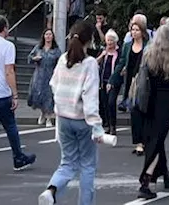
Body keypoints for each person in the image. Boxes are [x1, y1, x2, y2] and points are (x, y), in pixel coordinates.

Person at [38, 21, 107, 205]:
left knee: (67, 162)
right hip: (82, 119)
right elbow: (90, 97)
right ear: (90, 40)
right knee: (87, 166)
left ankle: (51, 190)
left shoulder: (63, 60)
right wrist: (97, 126)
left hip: (63, 117)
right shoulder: (90, 63)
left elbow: (53, 85)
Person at [0, 15, 36, 170]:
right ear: (4, 28)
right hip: (1, 91)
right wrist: (15, 94)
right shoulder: (8, 46)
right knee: (10, 126)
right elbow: (9, 70)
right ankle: (18, 157)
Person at [132, 24, 169, 199]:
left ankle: (165, 173)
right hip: (167, 102)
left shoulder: (148, 53)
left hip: (148, 99)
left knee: (154, 138)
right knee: (157, 139)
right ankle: (145, 181)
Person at [110, 19, 149, 155]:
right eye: (132, 30)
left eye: (137, 30)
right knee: (134, 112)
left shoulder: (148, 46)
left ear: (142, 31)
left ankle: (145, 141)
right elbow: (121, 62)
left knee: (144, 112)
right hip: (131, 83)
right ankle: (138, 142)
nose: (134, 32)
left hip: (145, 83)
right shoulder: (127, 46)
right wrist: (113, 79)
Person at [29, 29, 61, 128]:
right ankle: (43, 113)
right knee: (40, 96)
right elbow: (30, 57)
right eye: (46, 34)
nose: (48, 36)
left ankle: (48, 118)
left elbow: (60, 62)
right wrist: (34, 59)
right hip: (39, 75)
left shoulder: (56, 50)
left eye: (50, 34)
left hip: (50, 75)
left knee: (49, 96)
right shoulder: (38, 48)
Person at [97, 30, 121, 135]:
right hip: (103, 81)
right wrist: (102, 55)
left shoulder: (119, 52)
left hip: (114, 81)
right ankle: (106, 124)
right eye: (108, 40)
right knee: (104, 103)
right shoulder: (103, 51)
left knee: (111, 102)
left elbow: (121, 65)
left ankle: (113, 126)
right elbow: (95, 62)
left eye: (111, 40)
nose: (109, 43)